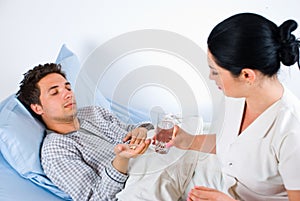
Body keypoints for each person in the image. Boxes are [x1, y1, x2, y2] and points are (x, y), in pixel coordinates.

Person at [167, 13, 300, 200]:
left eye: (215, 71)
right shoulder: (236, 97)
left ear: (247, 76)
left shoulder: (293, 132)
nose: (211, 78)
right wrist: (188, 140)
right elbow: (235, 145)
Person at [16, 63, 154, 201]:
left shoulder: (93, 112)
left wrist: (141, 129)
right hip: (143, 185)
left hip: (155, 159)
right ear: (38, 108)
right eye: (54, 92)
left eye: (68, 88)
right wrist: (121, 159)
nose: (67, 94)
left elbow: (131, 130)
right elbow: (97, 197)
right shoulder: (55, 149)